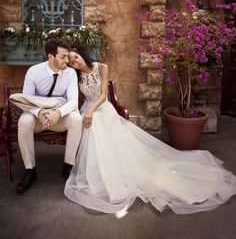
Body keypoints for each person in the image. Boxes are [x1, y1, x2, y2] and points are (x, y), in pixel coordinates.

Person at [64, 48, 236, 217]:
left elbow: (103, 95)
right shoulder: (75, 76)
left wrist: (90, 111)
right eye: (72, 62)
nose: (76, 62)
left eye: (76, 57)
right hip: (87, 109)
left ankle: (111, 169)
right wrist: (85, 111)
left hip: (101, 108)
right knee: (89, 127)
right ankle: (97, 171)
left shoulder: (101, 67)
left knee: (96, 124)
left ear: (81, 54)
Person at [16, 38, 82, 194]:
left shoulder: (71, 73)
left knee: (76, 119)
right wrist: (40, 113)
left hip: (59, 115)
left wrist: (58, 113)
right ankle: (30, 170)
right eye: (63, 56)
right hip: (39, 116)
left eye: (67, 56)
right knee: (24, 122)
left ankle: (68, 166)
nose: (68, 60)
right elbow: (27, 100)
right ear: (51, 57)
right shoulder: (34, 71)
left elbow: (73, 102)